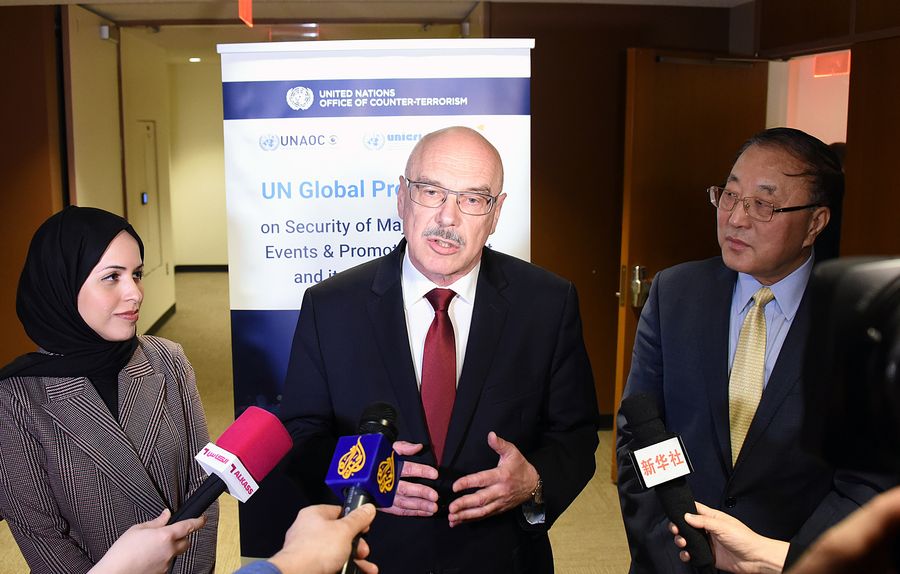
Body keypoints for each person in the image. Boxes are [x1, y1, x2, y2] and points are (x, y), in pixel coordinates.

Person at [280, 126, 600, 573]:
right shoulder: (330, 305)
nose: (448, 218)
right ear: (402, 197)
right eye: (431, 192)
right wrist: (365, 478)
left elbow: (576, 436)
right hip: (373, 556)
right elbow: (301, 433)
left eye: (473, 199)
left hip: (501, 559)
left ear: (496, 213)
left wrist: (534, 481)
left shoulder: (547, 303)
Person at [616, 127, 887, 573]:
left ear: (815, 223)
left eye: (763, 204)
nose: (736, 219)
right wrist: (674, 548)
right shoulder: (676, 292)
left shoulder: (858, 321)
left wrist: (789, 561)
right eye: (730, 195)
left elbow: (865, 479)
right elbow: (642, 434)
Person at [0, 206, 217, 573]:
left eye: (137, 274)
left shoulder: (169, 360)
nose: (135, 293)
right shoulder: (17, 397)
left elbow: (204, 483)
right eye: (112, 277)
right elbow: (40, 535)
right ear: (63, 285)